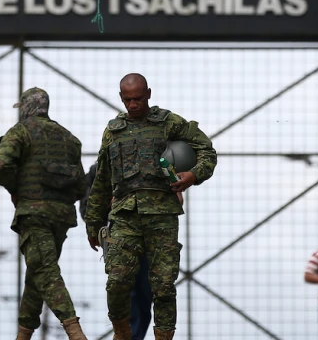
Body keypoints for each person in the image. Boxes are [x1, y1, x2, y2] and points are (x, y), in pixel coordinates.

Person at [84, 73, 218, 340]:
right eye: (128, 100)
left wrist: (193, 175)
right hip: (124, 215)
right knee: (117, 281)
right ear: (121, 98)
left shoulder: (169, 123)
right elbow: (101, 180)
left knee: (164, 286)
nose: (133, 105)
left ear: (148, 94)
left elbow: (207, 151)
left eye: (138, 99)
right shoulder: (113, 131)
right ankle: (122, 333)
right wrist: (93, 222)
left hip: (162, 216)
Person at [0, 87, 89, 340]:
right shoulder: (69, 138)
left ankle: (75, 332)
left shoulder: (21, 131)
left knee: (45, 272)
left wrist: (15, 189)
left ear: (25, 107)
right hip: (61, 217)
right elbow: (80, 185)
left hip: (33, 213)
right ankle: (23, 335)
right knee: (37, 274)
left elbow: (3, 164)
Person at [80, 163, 153, 340]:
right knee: (125, 290)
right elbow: (87, 207)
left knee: (144, 294)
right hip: (118, 236)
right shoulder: (99, 169)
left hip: (149, 235)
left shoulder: (153, 161)